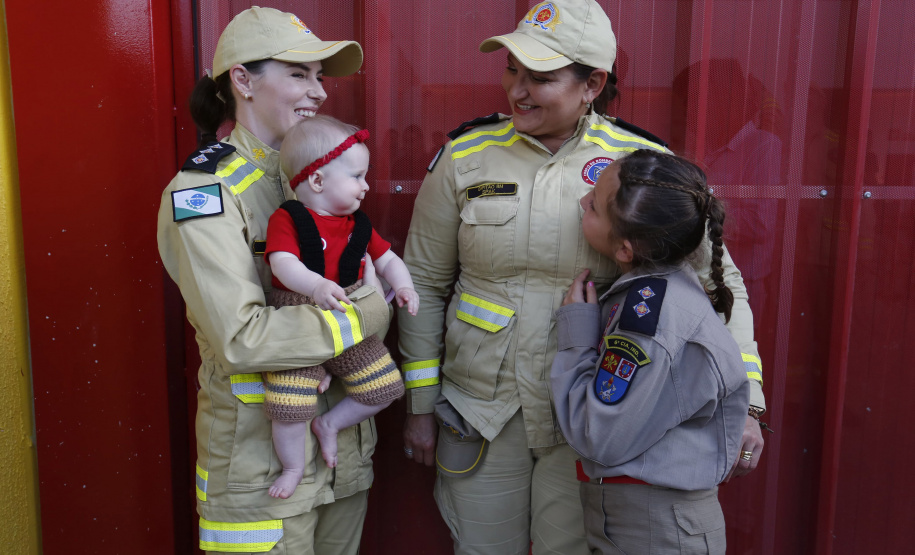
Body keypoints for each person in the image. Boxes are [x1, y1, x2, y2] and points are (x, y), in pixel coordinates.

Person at [397, 1, 767, 553]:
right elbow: (421, 284)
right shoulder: (466, 156)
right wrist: (420, 406)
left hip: (589, 414)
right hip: (481, 409)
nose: (517, 91)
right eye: (512, 70)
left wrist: (750, 402)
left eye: (541, 78)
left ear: (592, 83)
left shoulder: (638, 165)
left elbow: (718, 284)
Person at [156, 7, 388, 554]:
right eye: (299, 74)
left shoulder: (317, 171)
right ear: (242, 79)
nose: (320, 93)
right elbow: (241, 338)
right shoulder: (203, 192)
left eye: (320, 77)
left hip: (341, 452)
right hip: (259, 470)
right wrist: (368, 312)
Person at [551, 149, 751, 554]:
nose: (581, 202)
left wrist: (575, 338)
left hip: (652, 526)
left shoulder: (649, 316)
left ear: (626, 250)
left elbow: (600, 434)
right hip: (645, 516)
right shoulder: (661, 290)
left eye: (592, 205)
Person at [264, 115, 416, 498]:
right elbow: (282, 263)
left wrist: (403, 285)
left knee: (385, 388)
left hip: (351, 319)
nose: (366, 186)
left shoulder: (357, 226)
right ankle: (294, 466)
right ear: (317, 181)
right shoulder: (289, 218)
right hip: (298, 317)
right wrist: (316, 285)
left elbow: (388, 260)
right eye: (357, 177)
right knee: (289, 406)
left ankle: (329, 424)